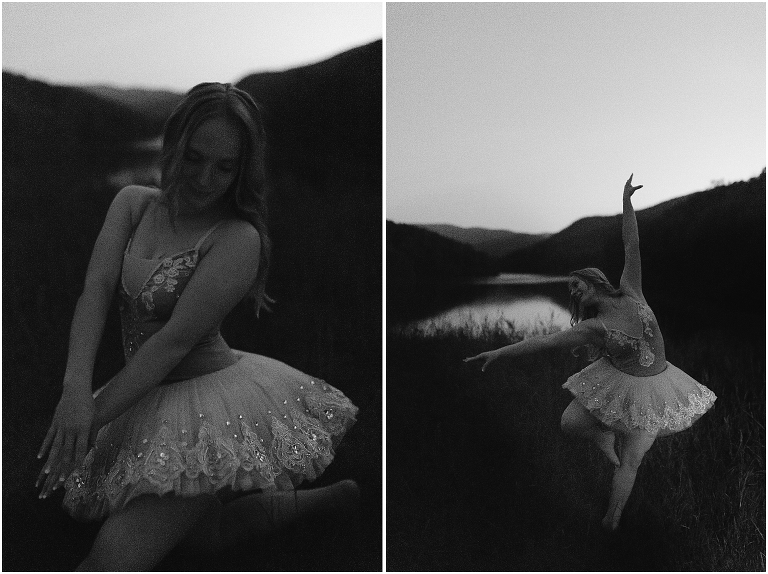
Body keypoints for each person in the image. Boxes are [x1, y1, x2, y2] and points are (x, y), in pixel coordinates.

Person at [35, 82, 359, 570]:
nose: (206, 178)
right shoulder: (132, 203)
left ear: (243, 169)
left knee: (109, 560)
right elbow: (95, 292)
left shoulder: (238, 238)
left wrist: (90, 423)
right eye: (194, 157)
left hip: (209, 405)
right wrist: (75, 390)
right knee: (205, 541)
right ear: (174, 143)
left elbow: (172, 343)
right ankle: (332, 499)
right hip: (144, 392)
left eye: (225, 167)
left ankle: (323, 499)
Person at [464, 174, 716, 532]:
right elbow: (542, 342)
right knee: (570, 422)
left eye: (575, 284)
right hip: (624, 380)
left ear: (592, 278)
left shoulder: (631, 289)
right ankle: (603, 438)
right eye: (570, 290)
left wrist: (626, 201)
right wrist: (497, 352)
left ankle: (611, 522)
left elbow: (631, 243)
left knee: (631, 461)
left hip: (658, 385)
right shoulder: (593, 327)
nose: (573, 291)